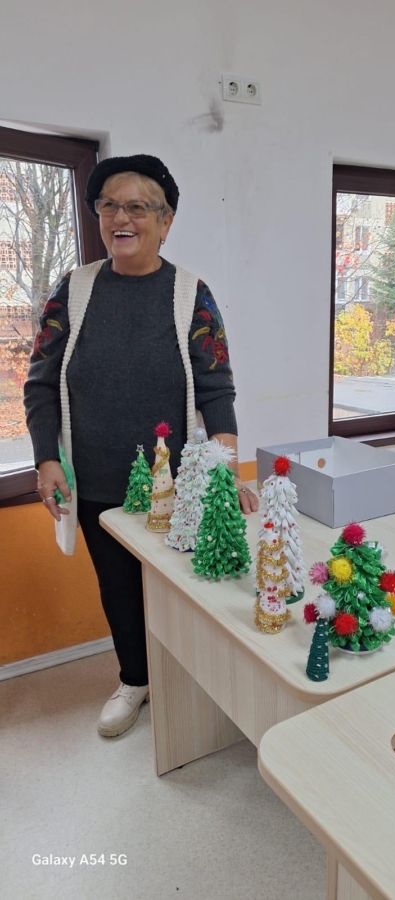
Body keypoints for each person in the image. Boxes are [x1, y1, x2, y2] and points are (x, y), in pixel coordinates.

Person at [24, 154, 258, 738]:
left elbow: (216, 389)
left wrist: (224, 473)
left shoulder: (190, 295)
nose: (120, 218)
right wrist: (47, 459)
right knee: (119, 589)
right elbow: (41, 383)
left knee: (186, 587)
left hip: (176, 487)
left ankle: (192, 683)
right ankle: (135, 680)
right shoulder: (73, 290)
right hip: (96, 483)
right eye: (109, 205)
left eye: (137, 207)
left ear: (165, 220)